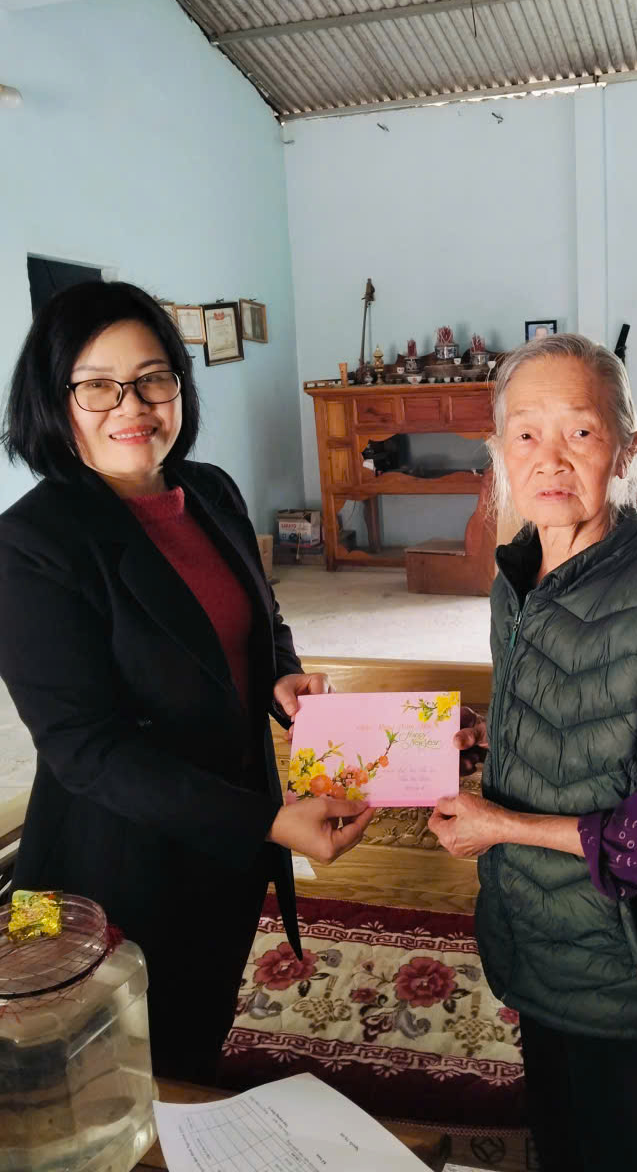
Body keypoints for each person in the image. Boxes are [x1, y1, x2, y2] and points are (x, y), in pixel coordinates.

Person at [0, 281, 375, 1082]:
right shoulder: (30, 543)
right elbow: (83, 750)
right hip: (108, 862)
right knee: (95, 1072)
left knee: (195, 1032)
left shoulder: (209, 490)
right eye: (97, 385)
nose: (132, 406)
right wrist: (268, 821)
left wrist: (281, 676)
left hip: (226, 838)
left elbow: (259, 619)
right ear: (53, 399)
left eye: (152, 378)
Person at [429, 333, 637, 1171]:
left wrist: (501, 826)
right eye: (525, 434)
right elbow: (586, 712)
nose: (549, 458)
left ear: (626, 449)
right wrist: (491, 730)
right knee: (564, 1144)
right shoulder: (520, 580)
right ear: (499, 452)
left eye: (578, 431)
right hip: (548, 945)